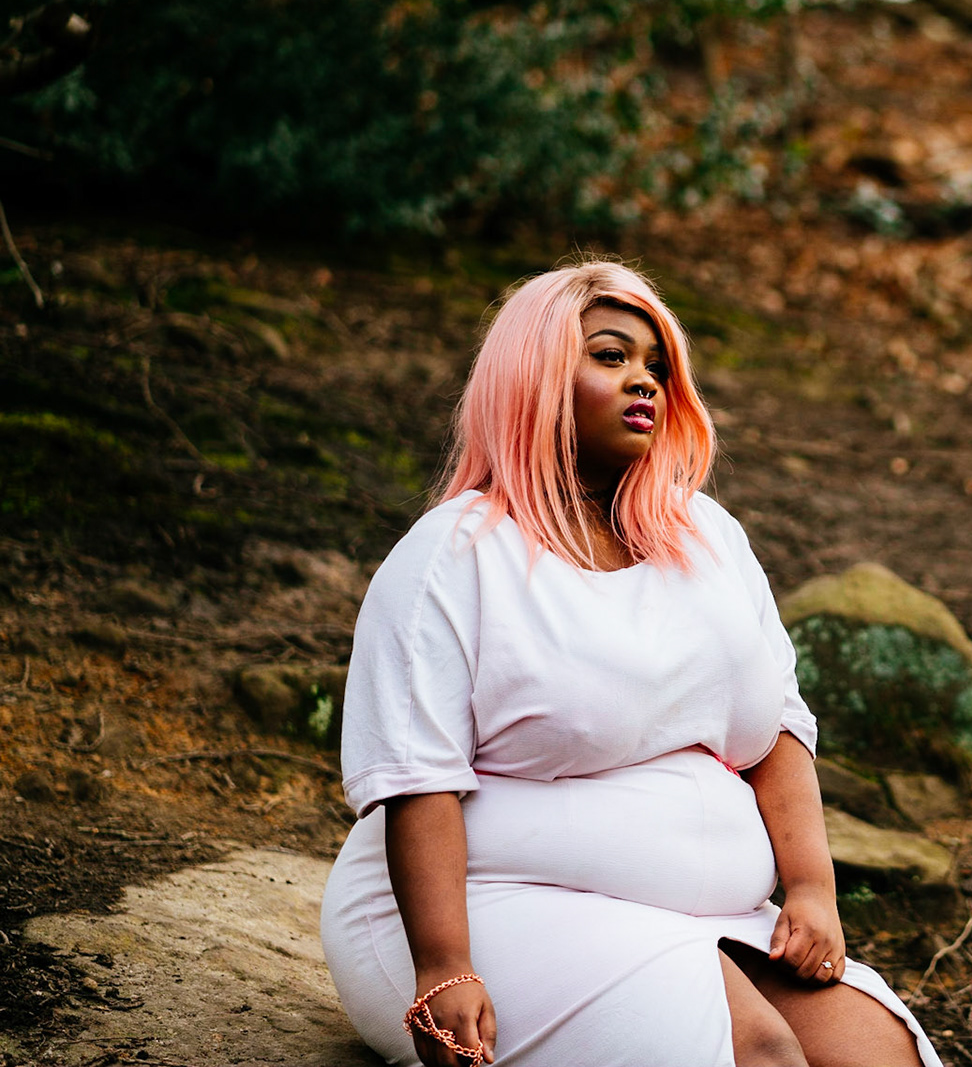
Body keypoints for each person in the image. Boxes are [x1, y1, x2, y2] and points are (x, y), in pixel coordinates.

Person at [320, 261, 939, 1067]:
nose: (644, 379)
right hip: (491, 904)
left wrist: (814, 890)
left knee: (879, 1054)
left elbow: (778, 728)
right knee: (758, 1053)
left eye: (657, 365)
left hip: (707, 914)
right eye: (610, 355)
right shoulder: (455, 554)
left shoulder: (708, 536)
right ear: (536, 377)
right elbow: (418, 777)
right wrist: (445, 965)